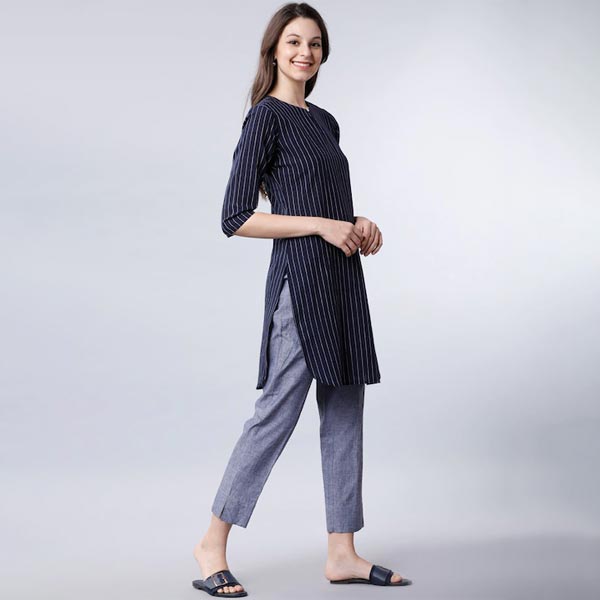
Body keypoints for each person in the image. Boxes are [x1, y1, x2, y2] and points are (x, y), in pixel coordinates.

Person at [192, 3, 412, 596]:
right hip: (302, 282)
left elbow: (323, 204)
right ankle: (212, 543)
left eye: (314, 43)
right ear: (273, 49)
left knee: (344, 410)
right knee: (277, 413)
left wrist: (356, 221)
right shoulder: (265, 118)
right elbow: (236, 217)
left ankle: (342, 552)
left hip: (342, 279)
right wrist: (319, 224)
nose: (304, 53)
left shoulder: (325, 121)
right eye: (293, 41)